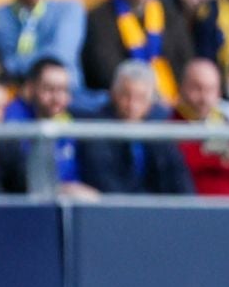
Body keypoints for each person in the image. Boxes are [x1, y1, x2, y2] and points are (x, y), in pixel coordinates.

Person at [84, 0, 193, 99]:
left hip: (171, 103)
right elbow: (106, 71)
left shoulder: (171, 15)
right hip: (125, 105)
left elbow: (186, 61)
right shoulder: (99, 19)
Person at [77, 58, 195, 192]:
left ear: (151, 102)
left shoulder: (160, 132)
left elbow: (178, 180)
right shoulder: (97, 130)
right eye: (126, 96)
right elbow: (104, 181)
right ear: (114, 94)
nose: (132, 105)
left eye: (140, 97)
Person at [2, 54, 99, 196]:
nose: (57, 98)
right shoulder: (12, 119)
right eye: (49, 89)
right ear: (30, 88)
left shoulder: (71, 120)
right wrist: (61, 190)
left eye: (63, 89)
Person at [171, 56, 229, 194]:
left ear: (218, 93)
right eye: (197, 88)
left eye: (210, 89)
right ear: (182, 88)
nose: (204, 97)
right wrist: (216, 158)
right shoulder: (168, 127)